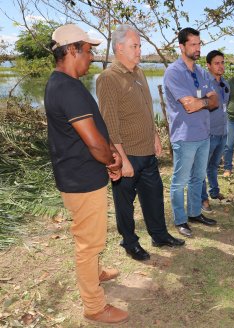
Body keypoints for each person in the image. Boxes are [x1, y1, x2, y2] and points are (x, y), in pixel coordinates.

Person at [44, 24, 128, 324]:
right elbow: (93, 142)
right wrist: (113, 161)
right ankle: (94, 306)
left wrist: (110, 154)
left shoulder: (60, 83)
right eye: (88, 51)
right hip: (81, 178)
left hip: (78, 174)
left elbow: (91, 131)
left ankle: (96, 272)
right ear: (71, 50)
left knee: (91, 237)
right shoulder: (67, 88)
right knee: (88, 243)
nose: (91, 57)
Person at [96, 24, 185, 262]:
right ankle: (130, 242)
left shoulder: (139, 72)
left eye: (139, 46)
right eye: (134, 46)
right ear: (119, 48)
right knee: (125, 204)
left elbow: (147, 108)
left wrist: (155, 135)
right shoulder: (108, 78)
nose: (139, 51)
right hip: (128, 154)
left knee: (154, 195)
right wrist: (122, 160)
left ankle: (159, 235)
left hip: (147, 151)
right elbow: (109, 124)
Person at [163, 27, 219, 237]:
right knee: (180, 181)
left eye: (199, 44)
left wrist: (201, 102)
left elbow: (215, 101)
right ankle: (180, 220)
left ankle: (195, 213)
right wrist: (204, 101)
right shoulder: (174, 72)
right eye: (193, 44)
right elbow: (189, 106)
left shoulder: (202, 72)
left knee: (198, 178)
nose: (197, 48)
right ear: (182, 46)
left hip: (204, 134)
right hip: (184, 137)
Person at [201, 50, 231, 213]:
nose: (220, 66)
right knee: (201, 168)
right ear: (209, 65)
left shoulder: (225, 84)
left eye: (222, 62)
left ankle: (214, 192)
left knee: (213, 166)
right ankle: (203, 199)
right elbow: (199, 103)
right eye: (217, 63)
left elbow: (226, 105)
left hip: (222, 132)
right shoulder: (204, 83)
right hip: (208, 133)